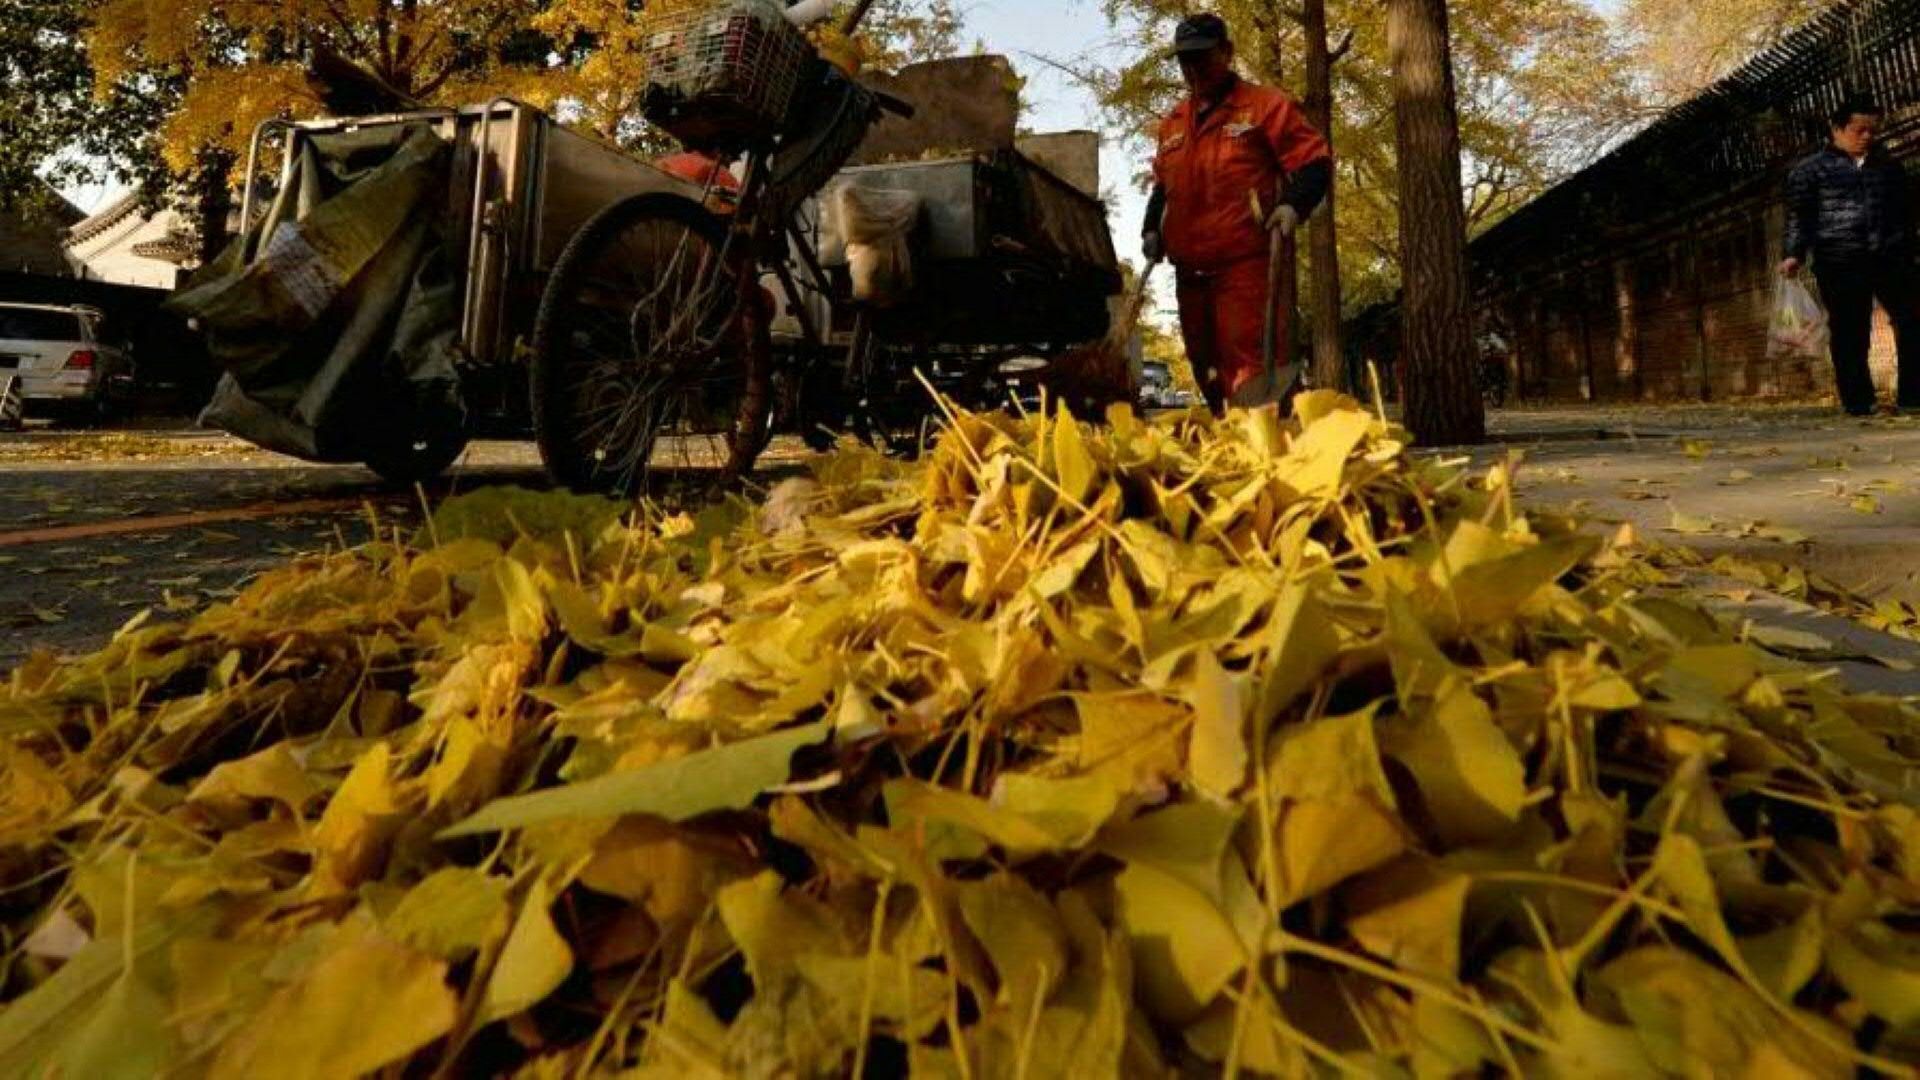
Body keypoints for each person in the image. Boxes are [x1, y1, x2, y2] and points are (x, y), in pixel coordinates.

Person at [1142, 13, 1332, 411]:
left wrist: (1291, 206)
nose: (1193, 69)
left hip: (1245, 264)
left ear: (1226, 53)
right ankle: (1227, 449)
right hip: (1190, 269)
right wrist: (1151, 229)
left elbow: (1314, 163)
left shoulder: (1264, 106)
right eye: (1185, 61)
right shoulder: (1173, 122)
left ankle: (1264, 447)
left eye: (1203, 57)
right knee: (1204, 365)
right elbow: (1163, 186)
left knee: (1249, 364)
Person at [1780, 97, 1920, 416]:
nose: (1868, 136)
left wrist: (1910, 248)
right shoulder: (1810, 171)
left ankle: (1913, 397)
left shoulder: (1889, 166)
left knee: (1912, 321)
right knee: (1850, 331)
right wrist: (1792, 253)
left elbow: (1906, 212)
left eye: (1873, 130)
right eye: (1860, 130)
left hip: (1892, 255)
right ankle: (1858, 401)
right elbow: (1797, 217)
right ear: (1837, 129)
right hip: (1839, 259)